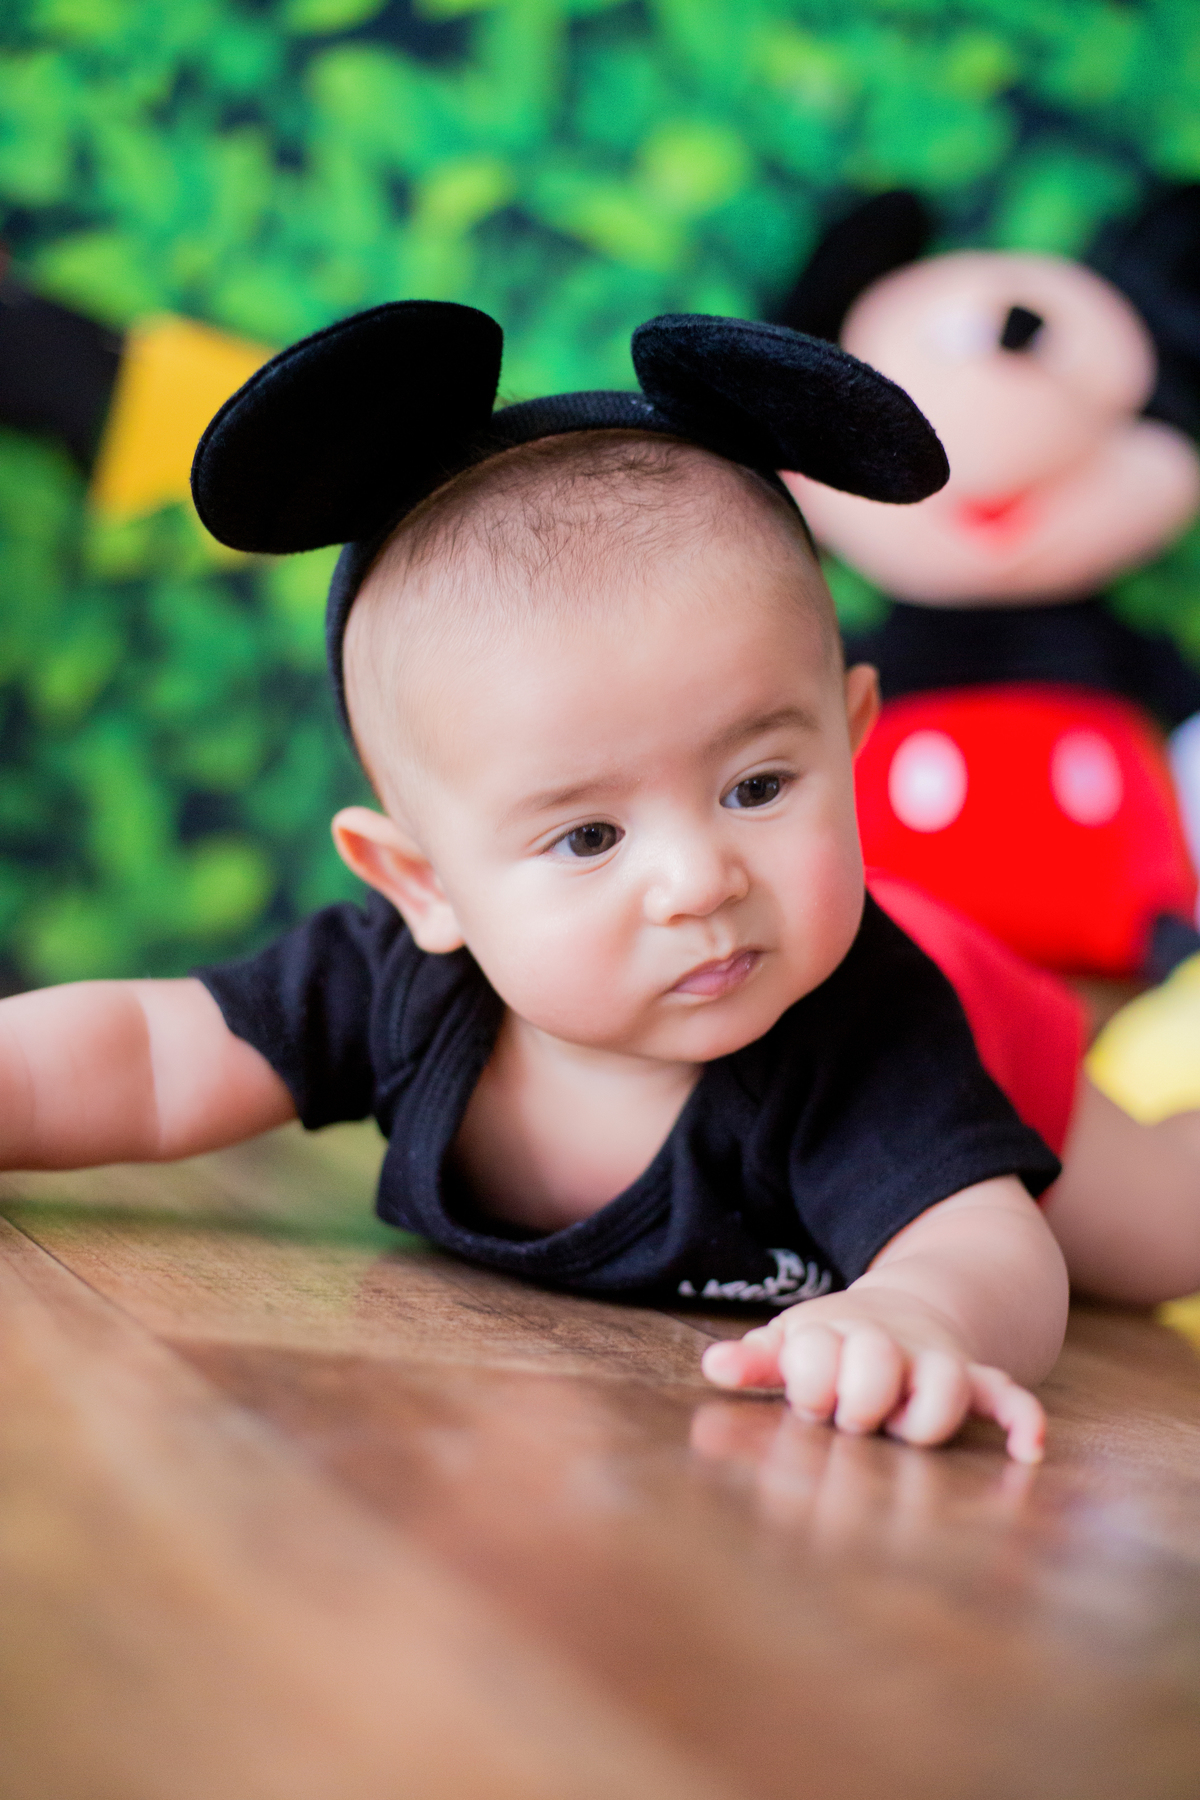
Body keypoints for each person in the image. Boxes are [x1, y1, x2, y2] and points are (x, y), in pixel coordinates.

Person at [0, 303, 1191, 1465]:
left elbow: (988, 1242)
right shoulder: (397, 986)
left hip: (985, 1022)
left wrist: (922, 1314)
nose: (696, 881)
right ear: (425, 885)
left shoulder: (863, 1030)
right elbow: (150, 1058)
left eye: (759, 787)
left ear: (853, 740)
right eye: (586, 838)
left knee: (1156, 1232)